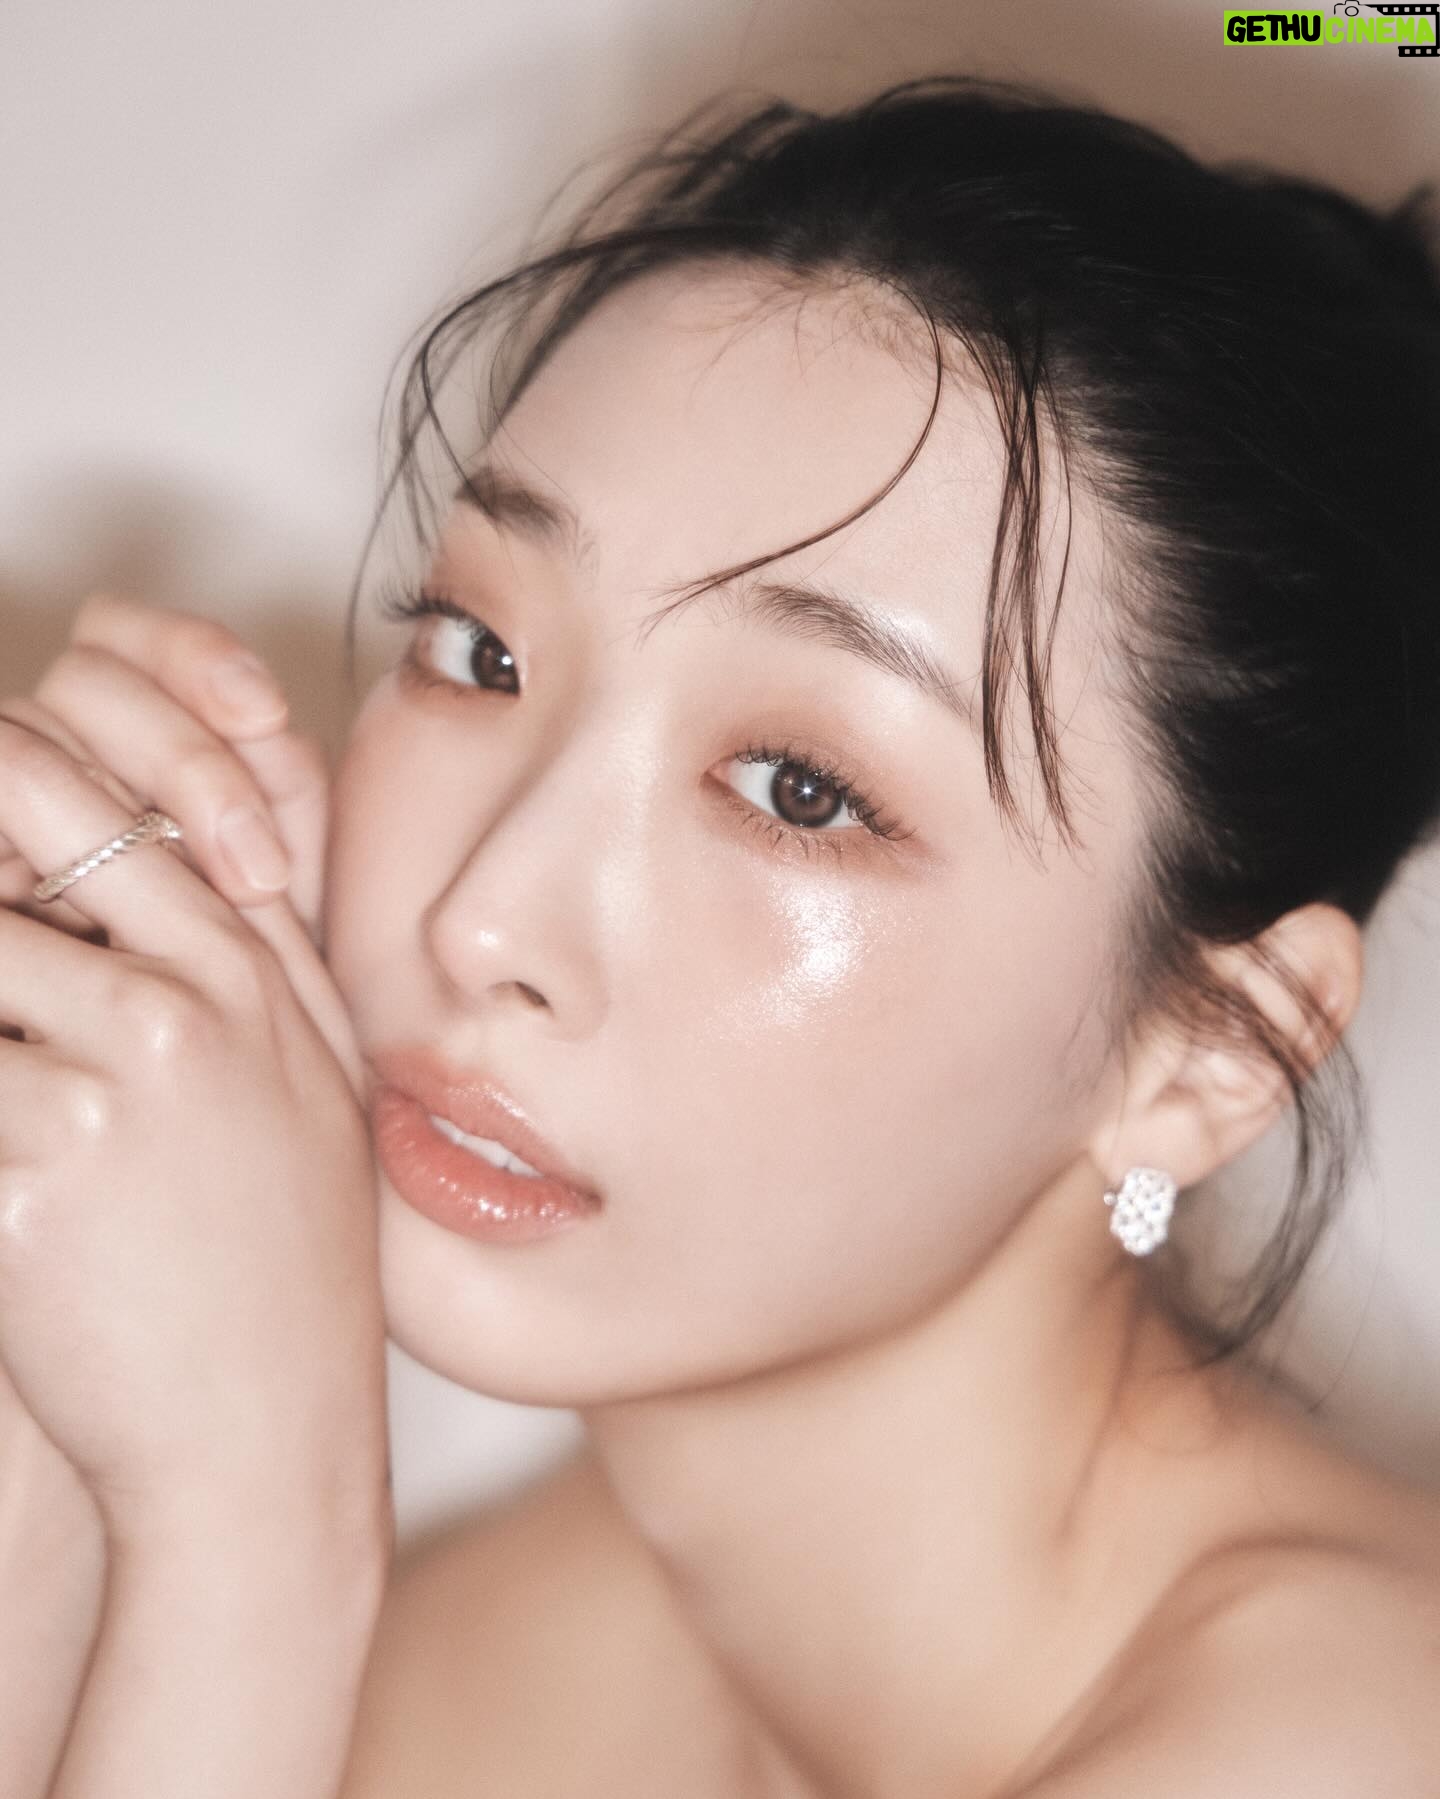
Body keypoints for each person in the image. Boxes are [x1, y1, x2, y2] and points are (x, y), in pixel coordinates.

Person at [2, 70, 1440, 1797]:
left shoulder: (1348, 1750)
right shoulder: (512, 1661)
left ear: (1211, 1053)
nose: (483, 915)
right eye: (481, 652)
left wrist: (255, 1515)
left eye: (800, 791)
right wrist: (50, 1384)